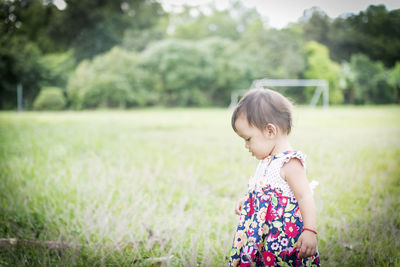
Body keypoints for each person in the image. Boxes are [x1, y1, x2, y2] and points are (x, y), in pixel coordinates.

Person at [229, 88, 320, 266]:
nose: (246, 146)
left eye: (248, 139)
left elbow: (305, 196)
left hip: (283, 241)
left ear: (270, 131)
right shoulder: (267, 161)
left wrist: (310, 230)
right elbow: (266, 192)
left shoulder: (289, 162)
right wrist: (248, 200)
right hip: (263, 240)